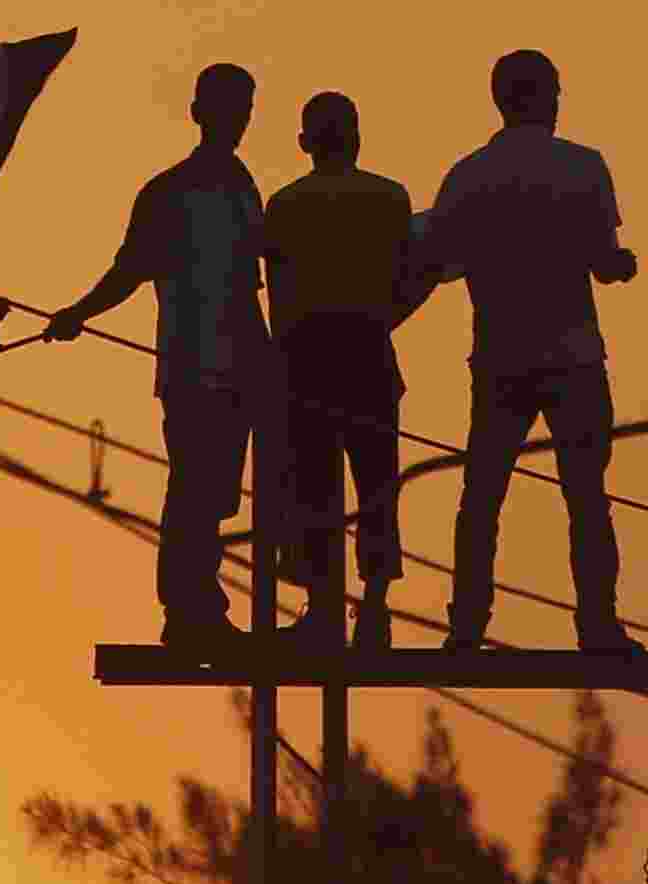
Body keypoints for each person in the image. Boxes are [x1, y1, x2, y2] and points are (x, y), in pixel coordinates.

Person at [398, 49, 644, 655]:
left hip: (501, 361)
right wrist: (620, 266)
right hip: (574, 359)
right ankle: (598, 626)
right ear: (548, 96)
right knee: (586, 495)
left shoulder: (468, 175)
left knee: (482, 494)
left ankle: (465, 626)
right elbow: (604, 260)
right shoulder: (584, 167)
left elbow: (433, 263)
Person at [42, 64, 271, 655]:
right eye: (225, 107)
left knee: (217, 494)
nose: (236, 119)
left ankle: (199, 607)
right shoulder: (170, 192)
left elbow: (254, 287)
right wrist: (79, 313)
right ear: (198, 113)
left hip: (243, 367)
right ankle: (187, 611)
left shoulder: (247, 191)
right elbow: (130, 269)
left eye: (243, 108)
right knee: (195, 487)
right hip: (192, 366)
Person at [262, 91, 410, 649]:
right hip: (369, 353)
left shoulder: (284, 205)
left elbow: (279, 298)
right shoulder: (390, 198)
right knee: (377, 487)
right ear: (357, 138)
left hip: (306, 360)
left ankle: (324, 610)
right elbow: (404, 282)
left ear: (305, 143)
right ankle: (373, 610)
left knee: (315, 490)